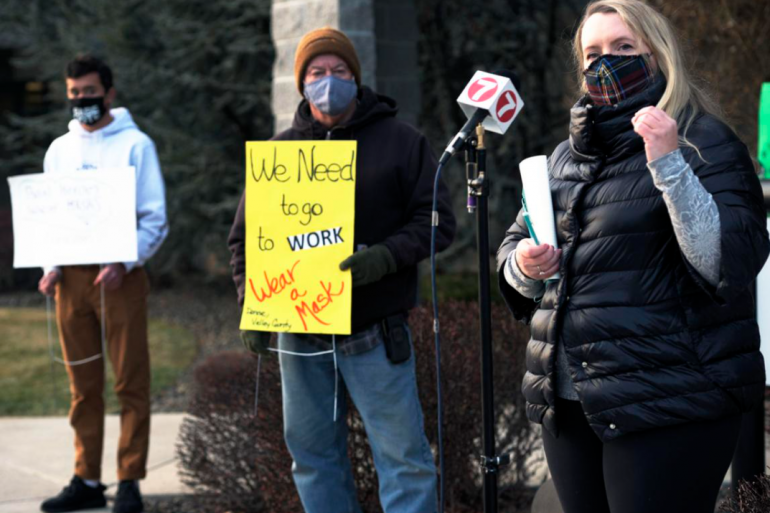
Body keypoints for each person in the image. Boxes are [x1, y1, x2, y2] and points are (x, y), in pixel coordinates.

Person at [496, 1, 770, 512]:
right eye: (593, 53)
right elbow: (514, 248)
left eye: (624, 48)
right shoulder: (563, 159)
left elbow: (723, 262)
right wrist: (523, 267)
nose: (606, 63)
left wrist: (668, 164)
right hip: (571, 401)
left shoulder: (703, 140)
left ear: (658, 55)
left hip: (669, 401)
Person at [228, 27, 455, 513]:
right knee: (311, 459)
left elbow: (436, 223)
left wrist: (385, 257)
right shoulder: (279, 155)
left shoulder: (402, 142)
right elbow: (244, 241)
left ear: (356, 76)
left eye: (339, 71)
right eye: (316, 73)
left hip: (375, 330)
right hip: (300, 337)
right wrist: (253, 304)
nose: (328, 81)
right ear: (301, 83)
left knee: (404, 460)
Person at [38, 54, 168, 513]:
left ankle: (129, 478)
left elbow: (155, 218)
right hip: (70, 281)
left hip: (119, 279)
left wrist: (123, 260)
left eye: (89, 92)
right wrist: (49, 264)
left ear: (109, 94)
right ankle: (86, 477)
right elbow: (50, 214)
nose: (81, 100)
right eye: (74, 93)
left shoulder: (136, 145)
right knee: (82, 385)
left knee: (130, 381)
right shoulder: (60, 150)